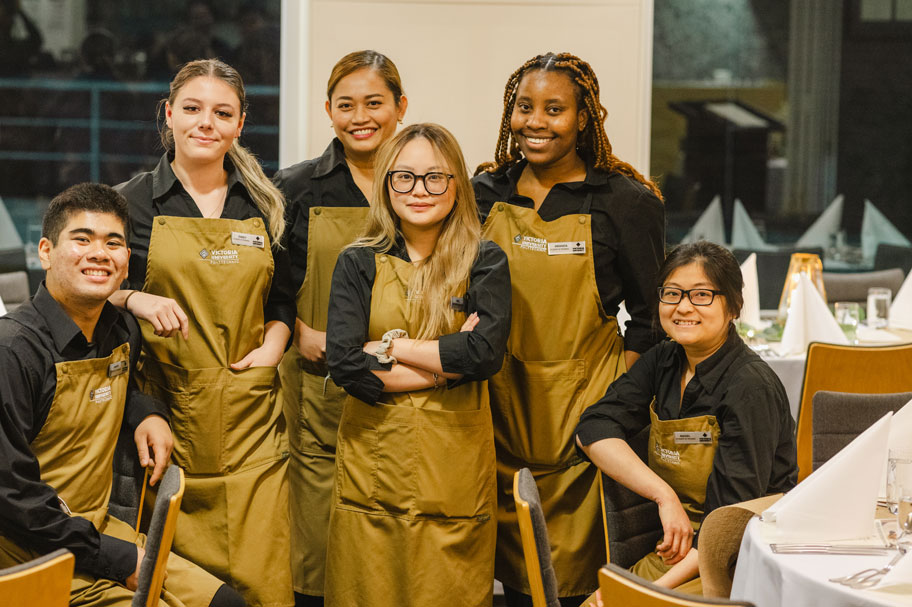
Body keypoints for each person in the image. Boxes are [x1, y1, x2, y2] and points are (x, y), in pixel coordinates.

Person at [0, 183, 240, 606]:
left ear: (127, 262)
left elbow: (109, 390)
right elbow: (1, 494)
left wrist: (147, 412)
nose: (99, 252)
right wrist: (113, 557)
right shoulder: (6, 354)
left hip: (95, 526)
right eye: (82, 239)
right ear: (45, 252)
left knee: (225, 602)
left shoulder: (119, 331)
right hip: (24, 548)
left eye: (114, 242)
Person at [471, 51, 666, 605]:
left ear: (585, 118)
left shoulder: (626, 202)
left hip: (581, 419)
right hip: (495, 407)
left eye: (554, 109)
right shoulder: (486, 192)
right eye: (524, 107)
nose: (536, 122)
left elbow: (651, 322)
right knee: (506, 577)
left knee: (574, 582)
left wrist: (611, 401)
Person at [111, 59, 294, 607]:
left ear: (240, 124)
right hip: (165, 416)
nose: (205, 123)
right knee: (177, 581)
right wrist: (134, 296)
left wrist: (272, 349)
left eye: (222, 113)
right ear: (169, 115)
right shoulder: (130, 203)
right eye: (191, 109)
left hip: (251, 419)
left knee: (261, 574)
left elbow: (283, 298)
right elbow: (92, 292)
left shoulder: (266, 203)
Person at [325, 123, 512, 607]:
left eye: (435, 177)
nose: (419, 191)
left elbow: (484, 354)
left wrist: (389, 345)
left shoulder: (484, 260)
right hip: (373, 467)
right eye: (404, 178)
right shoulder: (357, 262)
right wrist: (444, 364)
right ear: (387, 185)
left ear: (457, 186)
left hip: (453, 472)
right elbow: (346, 365)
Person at [575, 241, 797, 602]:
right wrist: (663, 496)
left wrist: (641, 593)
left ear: (734, 307)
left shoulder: (749, 387)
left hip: (736, 564)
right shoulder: (664, 359)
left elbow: (728, 529)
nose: (683, 307)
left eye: (702, 295)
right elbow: (594, 428)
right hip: (675, 552)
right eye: (672, 294)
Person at [272, 49, 407, 607]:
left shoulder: (423, 183)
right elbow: (268, 284)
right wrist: (299, 331)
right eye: (346, 105)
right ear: (328, 111)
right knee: (317, 546)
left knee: (389, 543)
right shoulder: (296, 187)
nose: (361, 117)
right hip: (317, 384)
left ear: (401, 107)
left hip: (406, 383)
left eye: (374, 103)